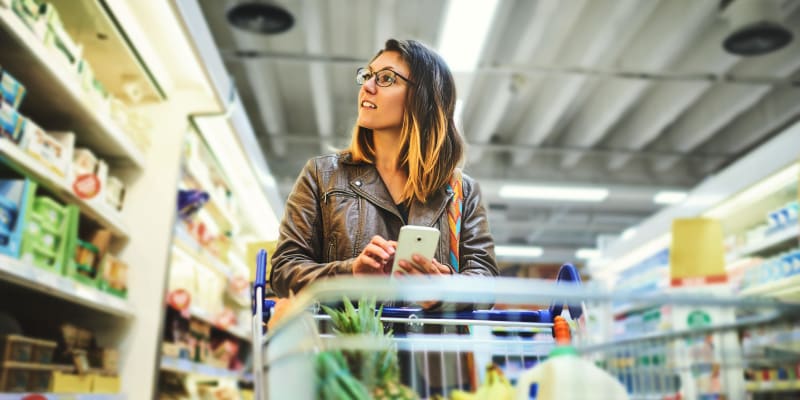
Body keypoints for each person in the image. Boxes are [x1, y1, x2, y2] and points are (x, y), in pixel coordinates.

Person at [269, 38, 498, 299]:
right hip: (349, 340)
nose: (367, 86)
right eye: (367, 75)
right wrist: (351, 272)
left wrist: (441, 287)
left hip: (428, 340)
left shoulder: (462, 191)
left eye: (386, 78)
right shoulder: (322, 176)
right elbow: (282, 272)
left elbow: (485, 282)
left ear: (423, 98)